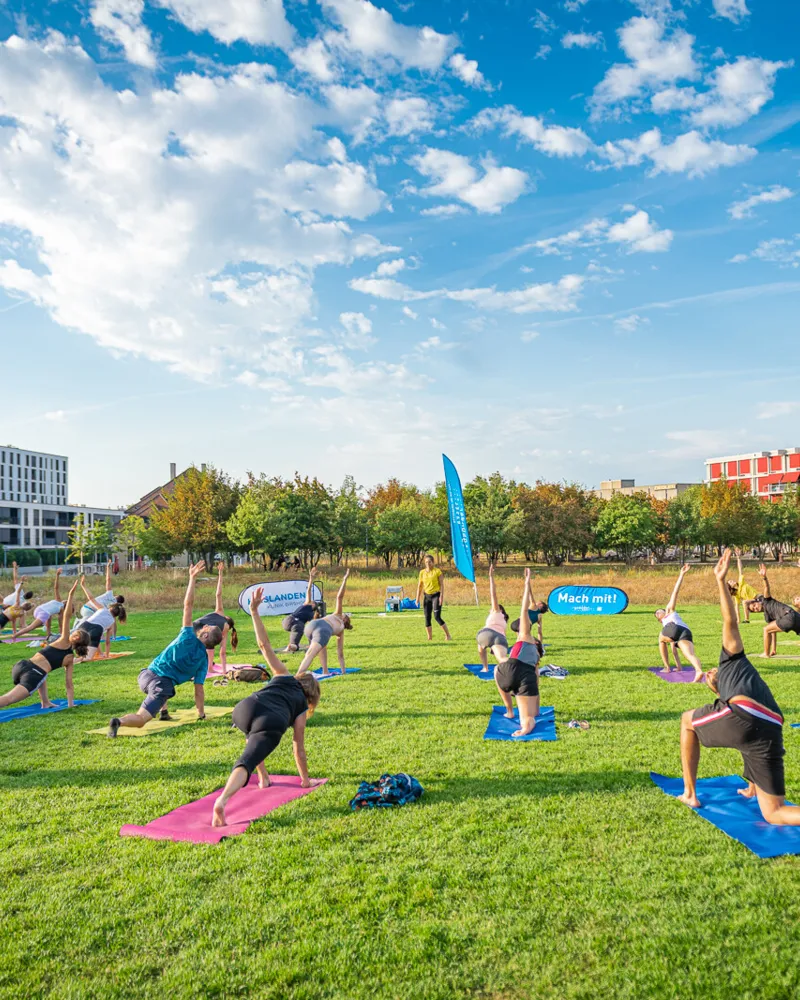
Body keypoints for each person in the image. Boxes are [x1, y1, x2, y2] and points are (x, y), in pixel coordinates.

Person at [677, 549, 800, 825]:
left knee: (687, 721)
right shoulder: (737, 670)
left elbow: (730, 619)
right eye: (710, 676)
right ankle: (753, 787)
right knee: (774, 812)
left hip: (748, 715)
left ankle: (689, 794)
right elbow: (747, 726)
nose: (710, 671)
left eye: (709, 672)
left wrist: (721, 582)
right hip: (771, 725)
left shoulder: (732, 660)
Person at [212, 586, 321, 827]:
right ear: (311, 694)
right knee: (246, 761)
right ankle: (222, 801)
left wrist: (254, 612)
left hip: (243, 708)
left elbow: (264, 645)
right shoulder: (301, 706)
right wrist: (305, 781)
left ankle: (263, 778)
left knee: (253, 738)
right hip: (269, 720)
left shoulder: (282, 674)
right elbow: (298, 749)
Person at [107, 561, 222, 736]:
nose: (203, 626)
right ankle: (119, 721)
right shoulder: (203, 661)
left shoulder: (187, 636)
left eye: (206, 628)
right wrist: (201, 713)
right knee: (142, 718)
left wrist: (192, 578)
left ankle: (164, 711)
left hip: (145, 675)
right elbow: (198, 689)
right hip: (160, 684)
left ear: (205, 635)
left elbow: (188, 605)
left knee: (166, 687)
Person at [0, 579, 87, 711]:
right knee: (7, 699)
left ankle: (45, 702)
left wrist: (71, 594)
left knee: (43, 674)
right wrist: (70, 704)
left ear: (75, 637)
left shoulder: (63, 641)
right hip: (32, 675)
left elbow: (67, 616)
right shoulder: (69, 658)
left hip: (21, 665)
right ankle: (45, 702)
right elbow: (69, 684)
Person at [495, 568, 544, 738]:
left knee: (497, 667)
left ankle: (509, 710)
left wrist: (527, 583)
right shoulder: (536, 660)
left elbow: (523, 610)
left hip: (506, 673)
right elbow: (535, 685)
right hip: (524, 677)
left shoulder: (524, 637)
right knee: (529, 718)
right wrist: (534, 710)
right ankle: (524, 728)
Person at [297, 570, 353, 678]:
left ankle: (324, 671)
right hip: (321, 628)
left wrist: (345, 580)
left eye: (345, 614)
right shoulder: (339, 628)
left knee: (318, 648)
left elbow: (339, 597)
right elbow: (340, 654)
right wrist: (343, 670)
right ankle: (297, 677)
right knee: (311, 654)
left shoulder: (339, 619)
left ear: (345, 620)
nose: (343, 613)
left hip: (311, 626)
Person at [654, 564, 704, 682]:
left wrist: (681, 574)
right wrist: (679, 667)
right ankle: (699, 670)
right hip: (685, 631)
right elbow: (674, 651)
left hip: (675, 628)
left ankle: (667, 668)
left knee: (660, 640)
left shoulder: (669, 611)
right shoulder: (667, 628)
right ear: (659, 620)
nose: (658, 612)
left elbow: (674, 594)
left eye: (658, 611)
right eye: (657, 614)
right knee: (690, 655)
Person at [746, 564, 800, 657]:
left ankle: (765, 654)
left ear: (758, 601)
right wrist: (774, 649)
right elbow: (773, 632)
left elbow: (766, 587)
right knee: (769, 629)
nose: (755, 608)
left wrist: (764, 577)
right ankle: (770, 652)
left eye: (754, 605)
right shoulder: (767, 617)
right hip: (795, 616)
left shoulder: (766, 600)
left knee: (765, 629)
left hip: (789, 616)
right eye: (754, 610)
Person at [193, 561, 238, 671]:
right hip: (204, 630)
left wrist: (220, 574)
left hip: (194, 625)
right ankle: (210, 669)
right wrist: (224, 671)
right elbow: (222, 652)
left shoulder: (219, 612)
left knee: (196, 646)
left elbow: (218, 594)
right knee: (210, 645)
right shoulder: (225, 628)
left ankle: (198, 666)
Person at [77, 575, 127, 660]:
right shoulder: (111, 622)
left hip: (83, 626)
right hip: (95, 631)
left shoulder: (102, 608)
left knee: (84, 646)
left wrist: (83, 586)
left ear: (110, 607)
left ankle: (72, 656)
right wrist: (106, 655)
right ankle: (79, 658)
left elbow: (91, 598)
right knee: (87, 657)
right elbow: (107, 642)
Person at [13, 568, 67, 642]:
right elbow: (61, 625)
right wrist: (62, 635)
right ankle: (15, 635)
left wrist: (57, 575)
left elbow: (56, 588)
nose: (65, 600)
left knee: (49, 617)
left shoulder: (59, 603)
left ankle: (48, 634)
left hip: (38, 609)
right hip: (43, 613)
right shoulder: (60, 607)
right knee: (31, 627)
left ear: (65, 604)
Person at [77, 560, 125, 637]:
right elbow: (114, 623)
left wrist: (108, 567)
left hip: (85, 608)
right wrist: (114, 636)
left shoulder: (110, 595)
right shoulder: (113, 609)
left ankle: (78, 624)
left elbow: (108, 580)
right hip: (91, 611)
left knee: (83, 629)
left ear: (116, 596)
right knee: (95, 627)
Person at [476, 563, 509, 673]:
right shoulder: (503, 621)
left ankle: (485, 668)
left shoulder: (496, 610)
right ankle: (520, 668)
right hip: (499, 638)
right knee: (502, 659)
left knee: (481, 648)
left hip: (484, 634)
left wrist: (491, 577)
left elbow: (493, 595)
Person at [281, 567, 320, 652]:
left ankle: (292, 646)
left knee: (298, 631)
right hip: (296, 623)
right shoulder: (311, 614)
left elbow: (309, 590)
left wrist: (311, 578)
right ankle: (292, 646)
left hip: (286, 621)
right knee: (296, 639)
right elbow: (311, 629)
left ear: (313, 604)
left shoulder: (308, 604)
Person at [415, 554, 452, 643]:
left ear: (433, 562)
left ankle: (448, 635)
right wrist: (417, 598)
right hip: (427, 596)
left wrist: (441, 596)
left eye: (430, 562)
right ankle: (430, 637)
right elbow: (419, 586)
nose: (428, 564)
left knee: (437, 617)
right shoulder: (422, 573)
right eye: (426, 562)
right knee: (427, 617)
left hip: (436, 596)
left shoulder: (437, 571)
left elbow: (442, 585)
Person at [510, 574, 548, 645]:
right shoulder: (540, 617)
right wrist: (540, 644)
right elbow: (539, 632)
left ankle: (517, 647)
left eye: (539, 602)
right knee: (525, 642)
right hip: (525, 626)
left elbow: (530, 593)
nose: (537, 601)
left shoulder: (534, 605)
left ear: (540, 605)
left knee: (519, 640)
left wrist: (527, 581)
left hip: (516, 624)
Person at [726, 550, 758, 625]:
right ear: (731, 588)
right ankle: (746, 620)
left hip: (757, 599)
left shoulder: (741, 583)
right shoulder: (737, 595)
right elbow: (737, 608)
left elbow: (740, 570)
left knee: (744, 602)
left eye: (731, 580)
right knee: (743, 602)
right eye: (730, 582)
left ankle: (746, 620)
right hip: (751, 603)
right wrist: (738, 620)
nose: (732, 581)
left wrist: (738, 558)